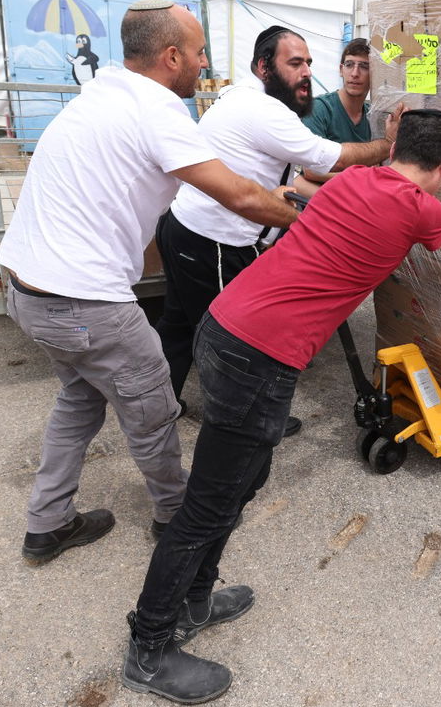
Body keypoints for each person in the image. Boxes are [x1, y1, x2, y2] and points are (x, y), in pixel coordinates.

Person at [120, 110, 441, 704]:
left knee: (242, 481)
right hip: (258, 355)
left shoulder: (356, 183)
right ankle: (150, 646)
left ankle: (195, 597)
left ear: (395, 147)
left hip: (227, 328)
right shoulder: (413, 206)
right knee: (210, 503)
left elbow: (432, 220)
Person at [0, 0, 298, 565]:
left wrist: (268, 198)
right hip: (83, 300)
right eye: (200, 52)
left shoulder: (106, 93)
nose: (205, 64)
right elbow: (235, 195)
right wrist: (311, 219)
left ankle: (47, 522)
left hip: (25, 286)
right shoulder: (158, 111)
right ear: (170, 55)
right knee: (155, 406)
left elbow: (218, 177)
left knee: (80, 398)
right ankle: (174, 514)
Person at [154, 27, 397, 436]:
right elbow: (328, 157)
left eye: (308, 64)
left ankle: (159, 406)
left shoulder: (244, 97)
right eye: (294, 63)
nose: (305, 73)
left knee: (177, 327)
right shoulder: (265, 111)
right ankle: (244, 423)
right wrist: (387, 144)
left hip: (184, 229)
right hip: (215, 241)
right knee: (233, 341)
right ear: (264, 67)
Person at [293, 36, 393, 194]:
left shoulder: (373, 116)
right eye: (349, 64)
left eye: (364, 66)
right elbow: (311, 170)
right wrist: (363, 177)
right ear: (341, 70)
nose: (355, 73)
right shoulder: (320, 109)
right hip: (325, 203)